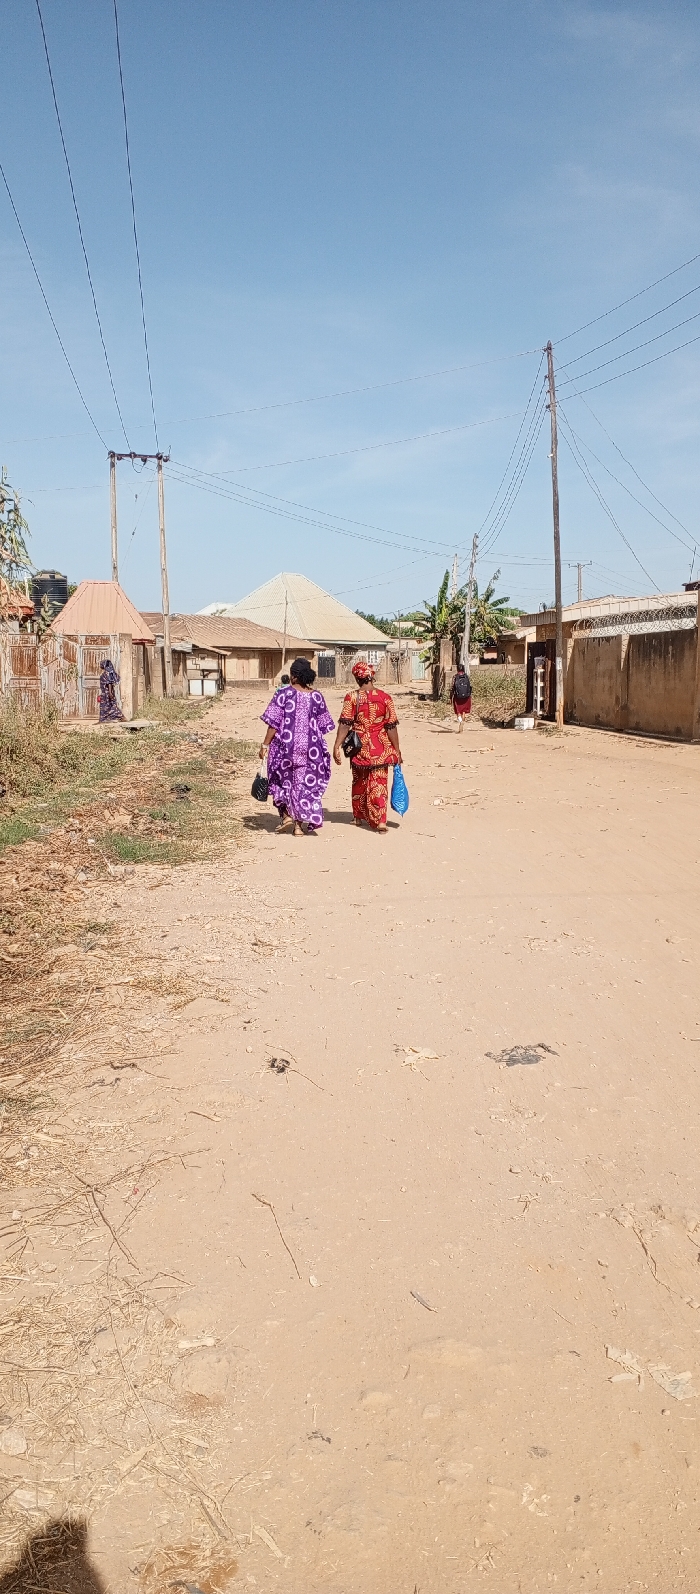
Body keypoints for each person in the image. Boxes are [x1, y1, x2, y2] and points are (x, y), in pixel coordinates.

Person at [259, 658, 335, 835]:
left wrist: (265, 745)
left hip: (285, 747)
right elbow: (324, 726)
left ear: (293, 676)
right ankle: (298, 827)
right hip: (310, 750)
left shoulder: (283, 694)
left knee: (281, 780)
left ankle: (286, 815)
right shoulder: (317, 696)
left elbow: (273, 723)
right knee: (302, 786)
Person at [333, 660, 402, 833]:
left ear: (357, 679)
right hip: (381, 748)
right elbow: (391, 727)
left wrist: (337, 745)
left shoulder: (351, 697)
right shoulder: (385, 698)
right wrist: (397, 750)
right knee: (379, 783)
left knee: (359, 781)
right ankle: (381, 821)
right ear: (371, 677)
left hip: (359, 748)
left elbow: (345, 724)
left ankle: (358, 817)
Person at [450, 664, 472, 731]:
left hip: (457, 697)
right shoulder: (466, 676)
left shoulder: (455, 677)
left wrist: (451, 697)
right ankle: (463, 720)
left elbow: (452, 687)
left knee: (458, 711)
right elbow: (469, 687)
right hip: (466, 697)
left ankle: (460, 721)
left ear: (457, 669)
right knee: (464, 711)